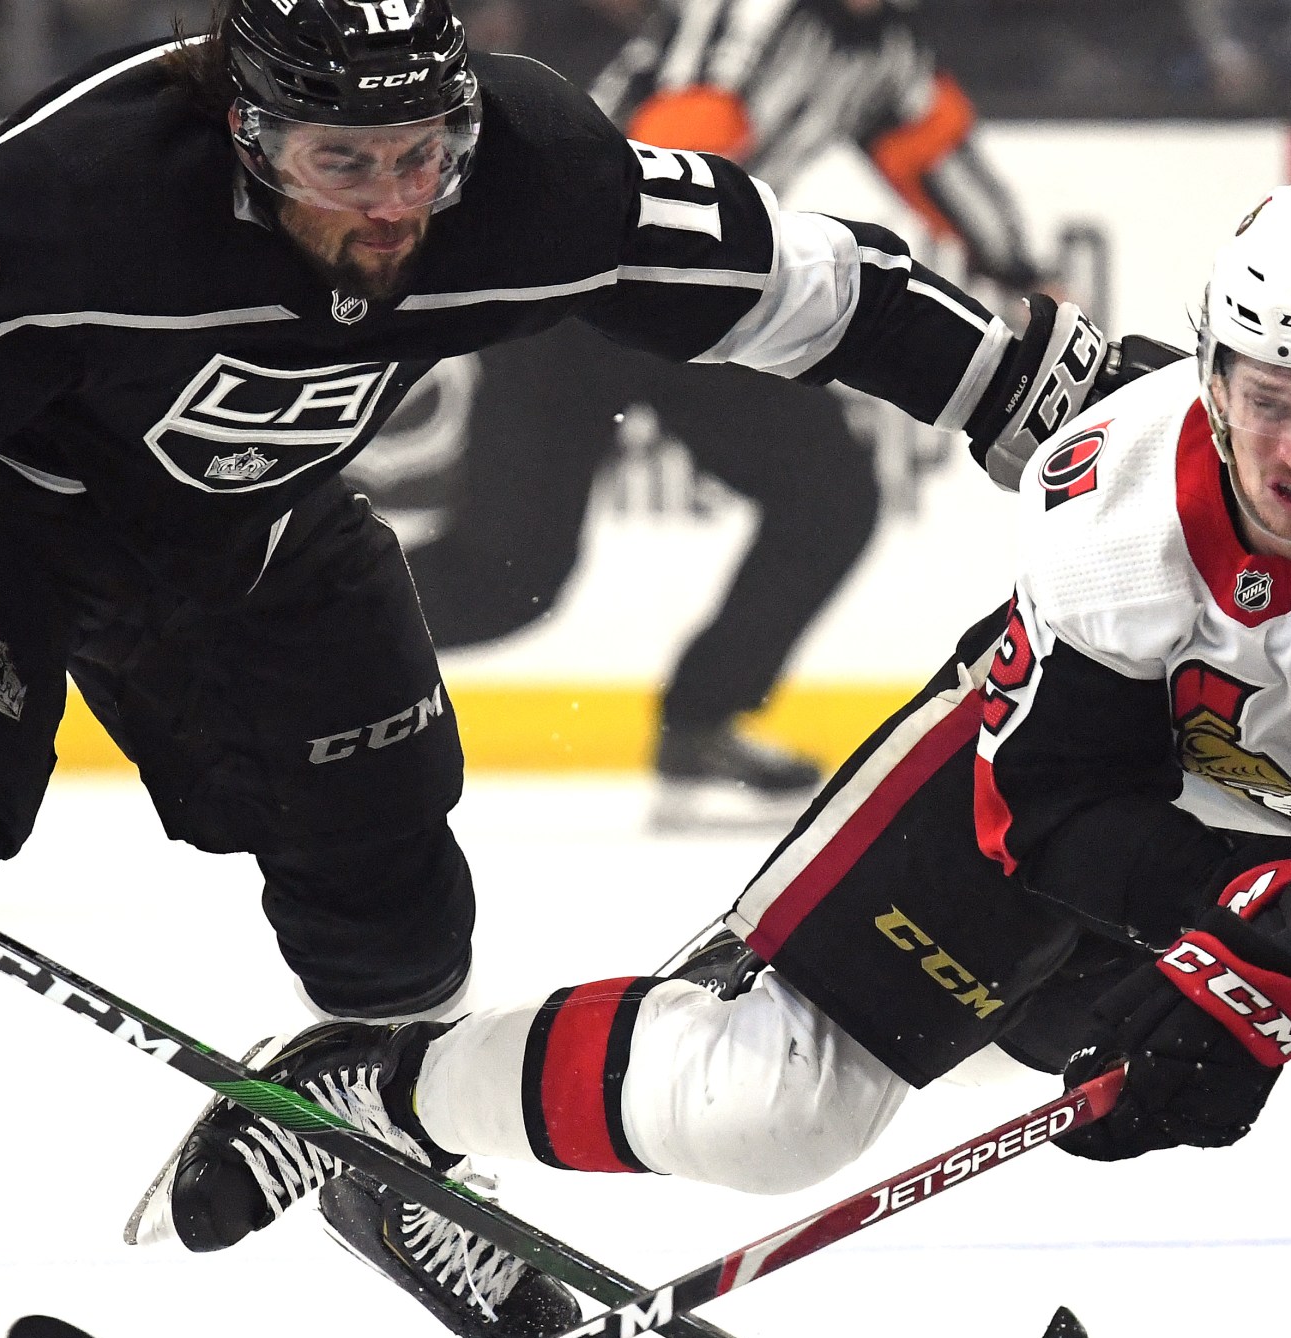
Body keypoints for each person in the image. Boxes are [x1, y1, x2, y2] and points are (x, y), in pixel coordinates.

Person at [0, 0, 1144, 1338]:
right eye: (349, 163)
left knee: (401, 896)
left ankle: (394, 1166)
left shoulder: (532, 172)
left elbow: (809, 284)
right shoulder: (80, 197)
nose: (399, 202)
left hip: (269, 545)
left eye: (424, 153)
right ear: (251, 131)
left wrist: (1018, 391)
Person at [142, 187, 1291, 1338]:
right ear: (1213, 370)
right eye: (1267, 393)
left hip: (1261, 830)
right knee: (768, 1106)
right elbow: (1057, 803)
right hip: (1040, 787)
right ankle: (381, 1099)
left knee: (1078, 1062)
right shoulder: (1118, 489)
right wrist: (1248, 930)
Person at [403, 0, 1050, 829]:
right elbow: (674, 145)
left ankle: (703, 723)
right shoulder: (745, 15)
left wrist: (1030, 277)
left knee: (828, 500)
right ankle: (299, 634)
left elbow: (937, 158)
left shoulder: (885, 51)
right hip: (575, 289)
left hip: (680, 296)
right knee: (510, 576)